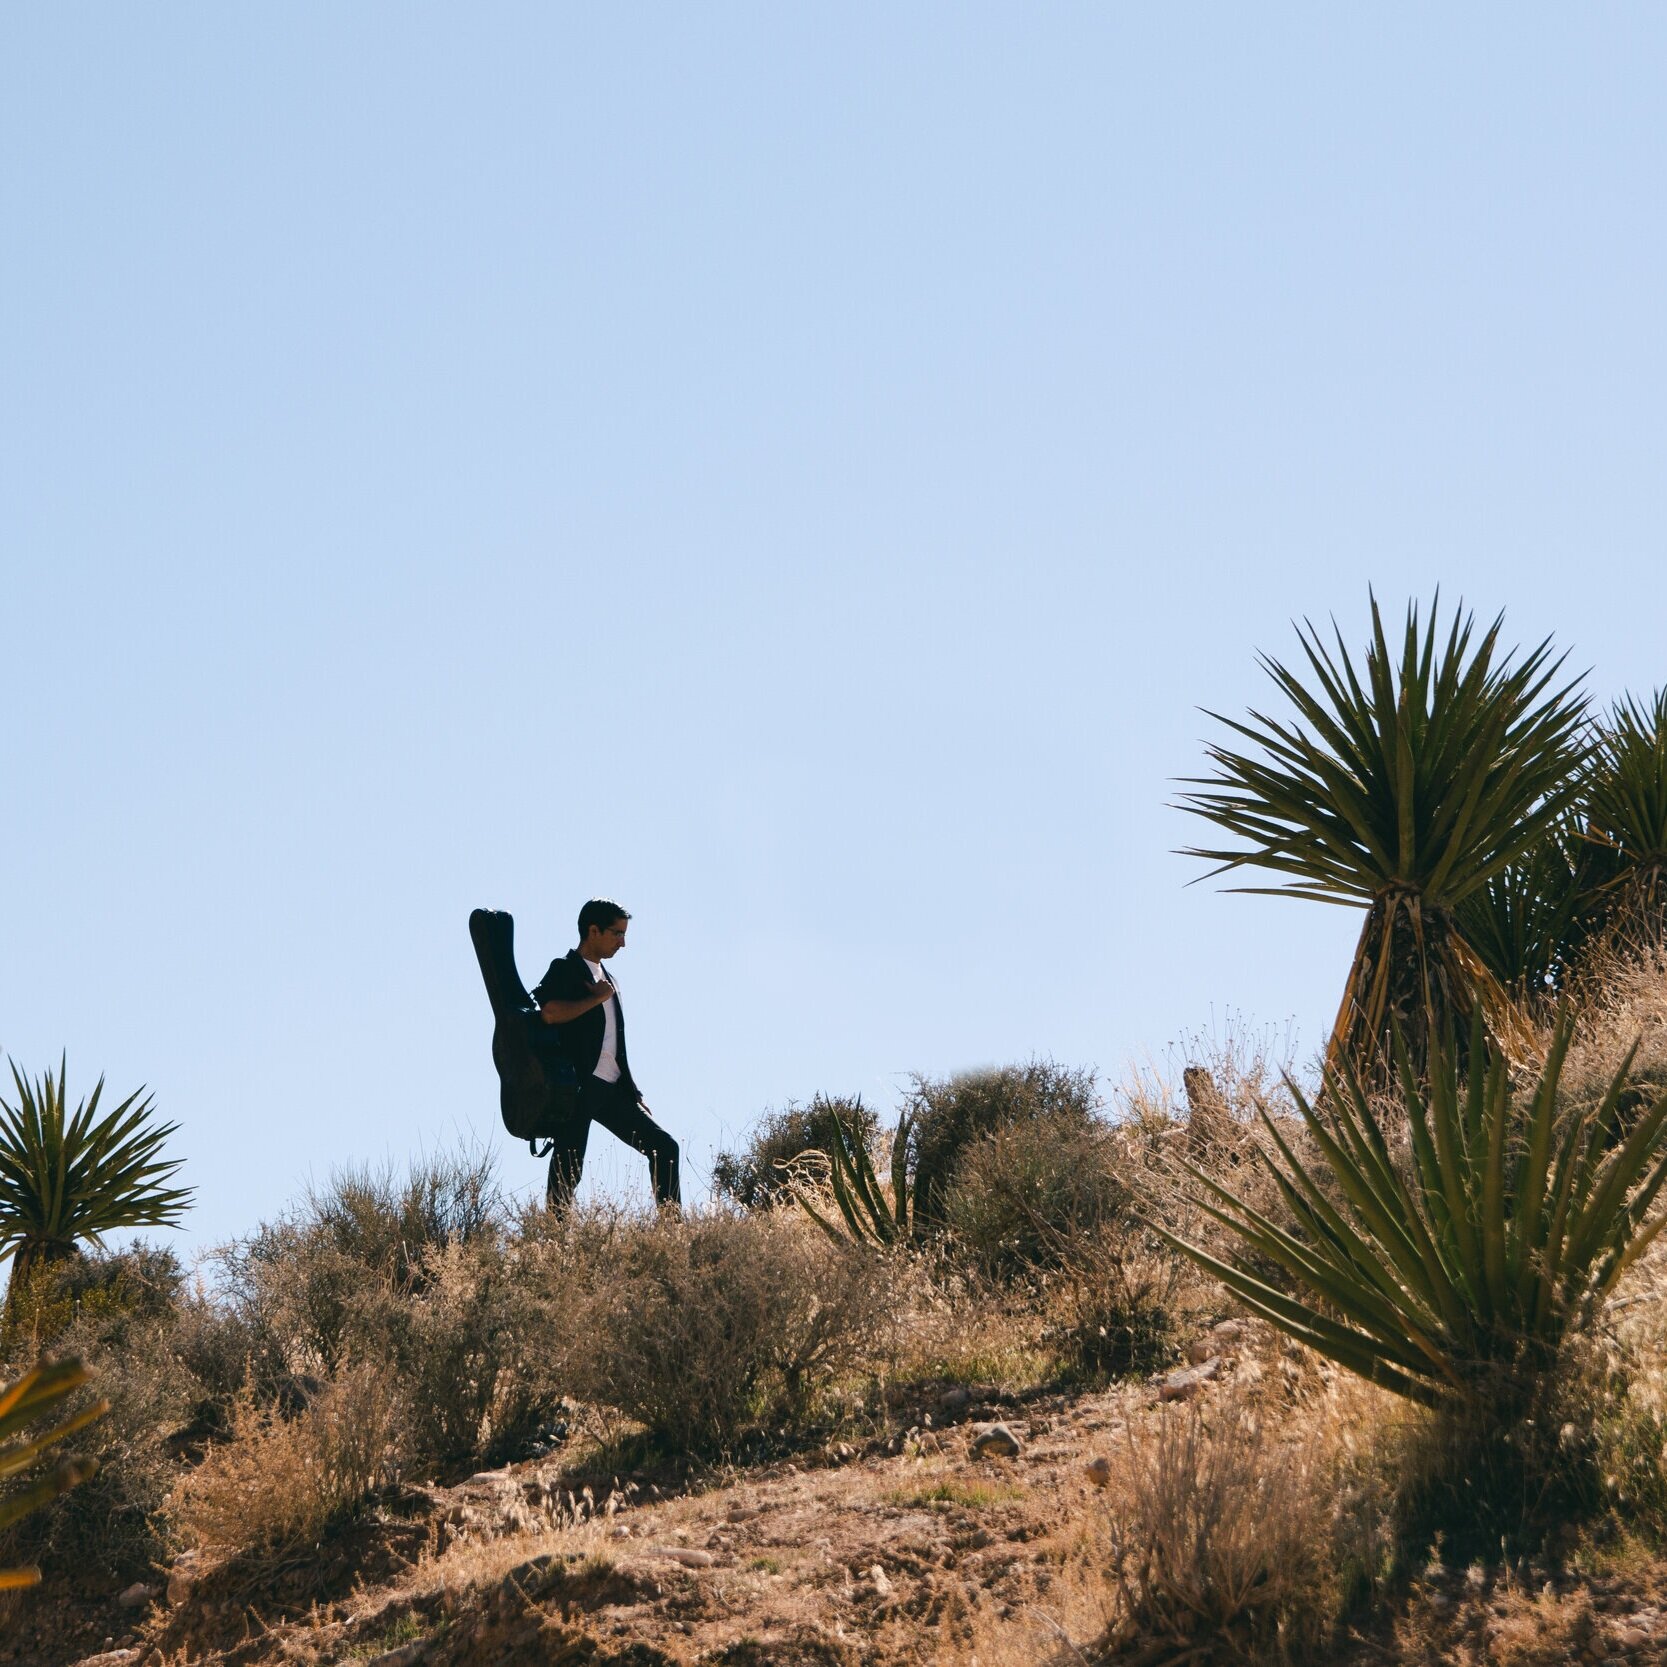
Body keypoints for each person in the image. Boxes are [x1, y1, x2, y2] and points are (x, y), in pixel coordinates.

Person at [532, 899, 681, 1213]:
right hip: (577, 1087)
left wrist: (632, 1090)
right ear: (593, 930)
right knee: (567, 1173)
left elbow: (614, 1042)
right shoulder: (565, 968)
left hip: (612, 1089)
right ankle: (551, 1247)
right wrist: (595, 998)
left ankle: (673, 1233)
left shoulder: (609, 978)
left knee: (665, 1147)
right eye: (617, 933)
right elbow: (549, 1012)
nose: (623, 942)